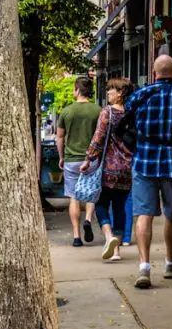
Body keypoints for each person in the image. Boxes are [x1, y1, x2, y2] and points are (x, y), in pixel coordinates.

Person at [124, 54, 172, 289]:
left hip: (144, 160)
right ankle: (169, 262)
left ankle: (144, 267)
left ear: (154, 72)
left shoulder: (139, 96)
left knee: (143, 214)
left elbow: (125, 122)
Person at [81, 77, 134, 261]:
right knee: (120, 208)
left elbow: (98, 138)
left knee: (101, 204)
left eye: (111, 90)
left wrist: (88, 159)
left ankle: (109, 236)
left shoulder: (107, 113)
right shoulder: (132, 113)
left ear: (120, 93)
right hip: (128, 170)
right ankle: (117, 251)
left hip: (109, 170)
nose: (108, 93)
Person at [57, 75, 100, 247]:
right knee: (91, 193)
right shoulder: (98, 111)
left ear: (77, 90)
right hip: (92, 159)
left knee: (74, 197)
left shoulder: (67, 111)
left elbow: (60, 137)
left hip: (71, 160)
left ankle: (76, 237)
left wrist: (61, 157)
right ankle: (88, 219)